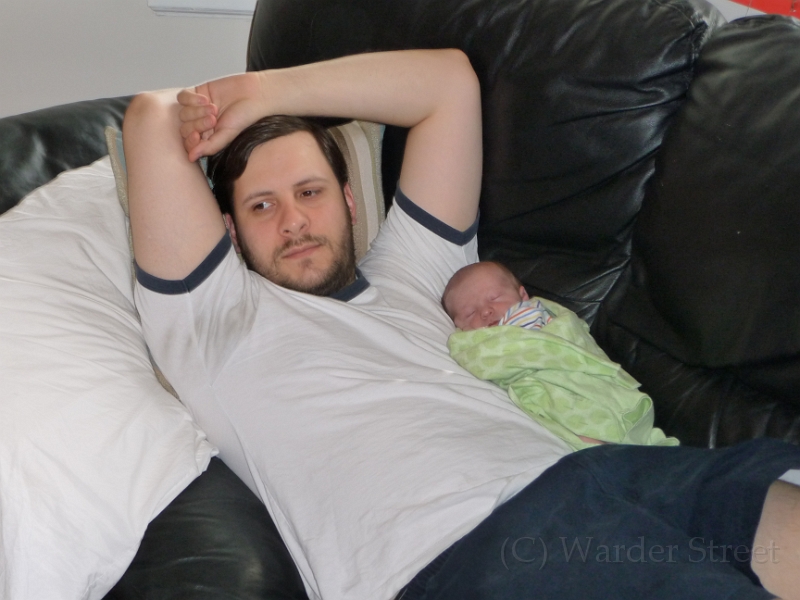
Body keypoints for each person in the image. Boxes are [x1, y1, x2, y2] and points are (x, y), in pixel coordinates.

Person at [122, 49, 800, 600]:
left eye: (309, 191)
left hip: (610, 475)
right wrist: (202, 109)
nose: (294, 221)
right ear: (231, 233)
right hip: (475, 549)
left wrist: (264, 91)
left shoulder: (415, 277)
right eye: (262, 206)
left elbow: (448, 82)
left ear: (351, 200)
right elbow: (150, 117)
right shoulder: (217, 321)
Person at [442, 261, 678, 450]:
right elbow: (475, 358)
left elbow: (571, 336)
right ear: (458, 326)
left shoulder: (534, 314)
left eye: (494, 298)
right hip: (544, 391)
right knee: (557, 409)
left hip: (582, 379)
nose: (485, 311)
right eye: (470, 312)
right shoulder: (477, 343)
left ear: (522, 296)